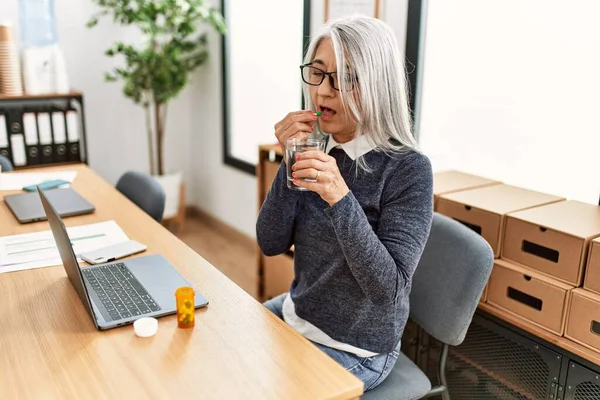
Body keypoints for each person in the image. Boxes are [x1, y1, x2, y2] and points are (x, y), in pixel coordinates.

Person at [256, 15, 433, 392]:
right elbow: (270, 243)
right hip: (298, 312)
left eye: (346, 78)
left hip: (357, 349)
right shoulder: (317, 146)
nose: (323, 91)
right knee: (222, 352)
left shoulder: (408, 169)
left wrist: (340, 197)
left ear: (378, 85)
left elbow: (388, 291)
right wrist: (291, 158)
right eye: (318, 73)